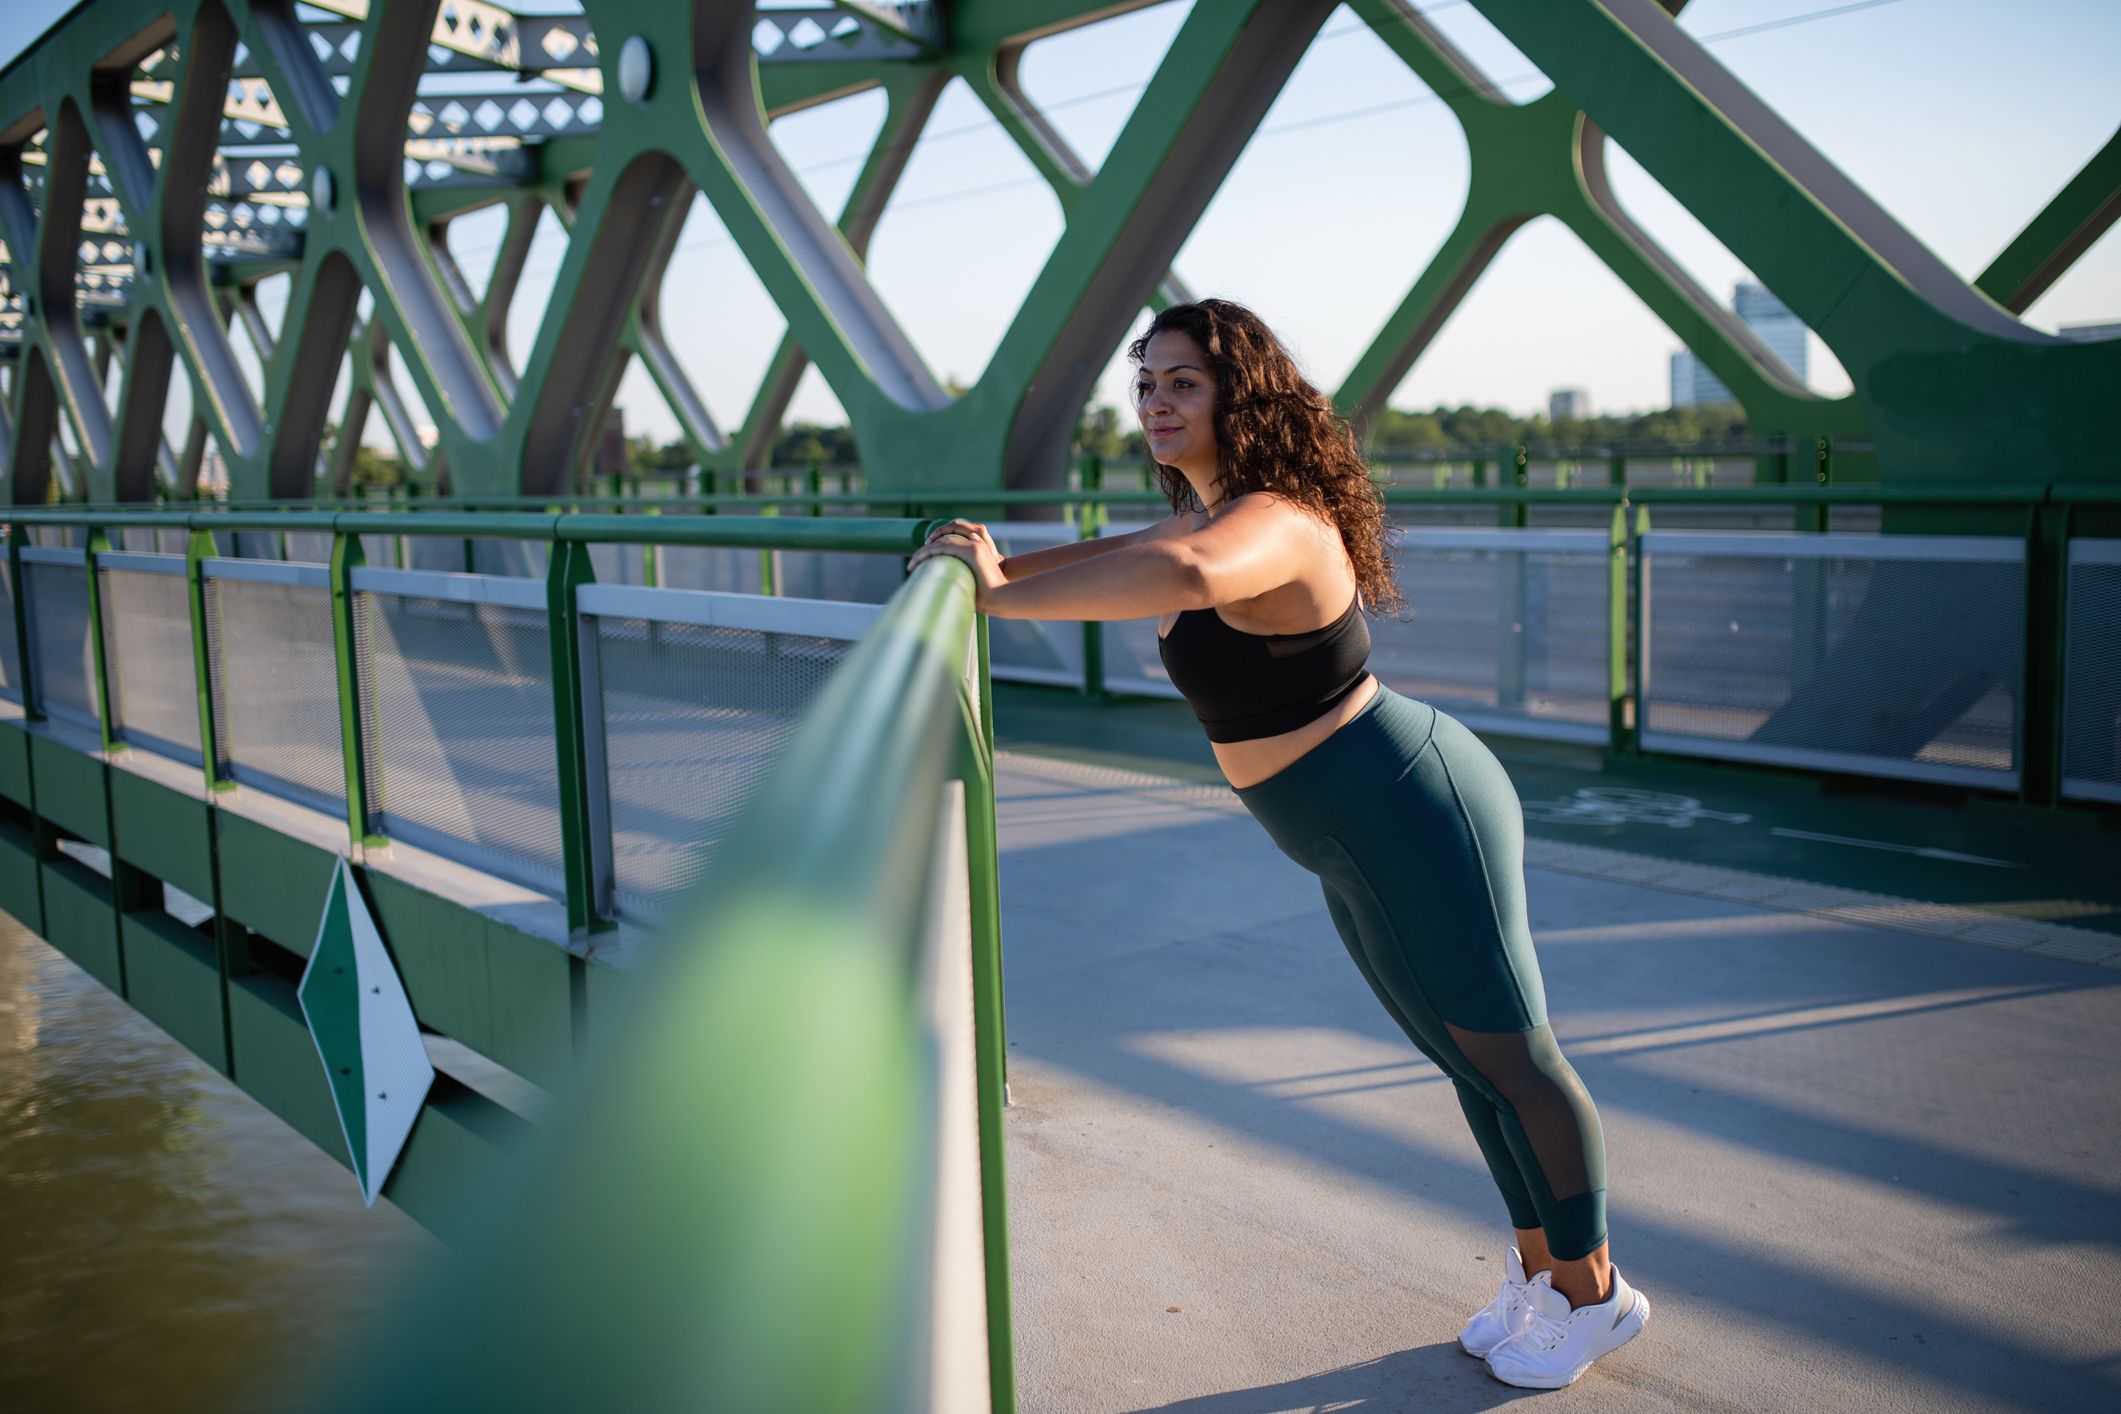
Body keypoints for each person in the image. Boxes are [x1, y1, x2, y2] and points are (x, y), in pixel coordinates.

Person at [909, 299, 1650, 1390]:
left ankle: (1596, 1297)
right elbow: (1132, 548)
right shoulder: (1216, 507)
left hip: (1411, 801)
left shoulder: (1274, 522)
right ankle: (1542, 1275)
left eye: (1183, 384)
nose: (1157, 403)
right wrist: (998, 567)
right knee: (1463, 1058)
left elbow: (1194, 575)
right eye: (1147, 383)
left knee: (1516, 1058)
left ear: (1236, 396)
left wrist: (999, 600)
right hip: (1347, 831)